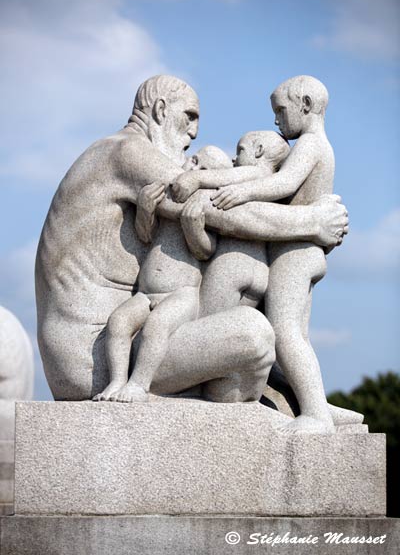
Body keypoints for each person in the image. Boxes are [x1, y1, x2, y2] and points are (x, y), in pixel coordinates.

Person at [35, 74, 348, 402]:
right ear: (160, 111)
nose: (195, 133)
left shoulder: (116, 154)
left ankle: (304, 402)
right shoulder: (128, 153)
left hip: (121, 337)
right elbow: (223, 213)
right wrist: (311, 221)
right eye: (190, 117)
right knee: (253, 335)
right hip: (95, 361)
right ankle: (294, 402)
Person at [186, 76, 339, 433]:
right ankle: (319, 406)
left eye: (281, 111)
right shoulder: (319, 146)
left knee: (284, 332)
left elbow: (283, 184)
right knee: (294, 336)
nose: (277, 121)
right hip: (304, 252)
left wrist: (241, 194)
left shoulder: (311, 144)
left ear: (305, 104)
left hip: (294, 252)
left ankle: (316, 413)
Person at [94, 146, 233, 403]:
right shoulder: (169, 201)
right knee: (119, 321)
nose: (195, 170)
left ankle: (138, 384)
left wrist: (193, 228)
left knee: (157, 326)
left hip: (182, 294)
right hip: (147, 291)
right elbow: (145, 236)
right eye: (196, 161)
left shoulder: (205, 209)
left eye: (205, 171)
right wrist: (146, 209)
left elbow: (206, 251)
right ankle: (116, 380)